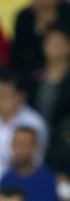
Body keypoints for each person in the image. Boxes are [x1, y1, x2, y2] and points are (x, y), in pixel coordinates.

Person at [0, 127, 58, 201]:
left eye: (25, 144)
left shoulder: (47, 178)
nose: (21, 149)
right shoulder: (6, 178)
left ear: (35, 148)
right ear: (12, 146)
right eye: (17, 143)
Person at [12, 0, 70, 83]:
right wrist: (38, 32)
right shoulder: (24, 17)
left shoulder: (67, 14)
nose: (41, 0)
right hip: (30, 75)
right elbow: (18, 54)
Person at [36, 25, 70, 177]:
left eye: (59, 43)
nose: (54, 47)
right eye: (50, 42)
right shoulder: (35, 76)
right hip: (37, 134)